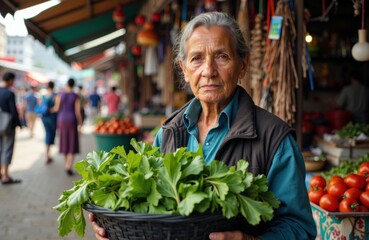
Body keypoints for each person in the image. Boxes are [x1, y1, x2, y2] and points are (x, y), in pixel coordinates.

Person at [89, 12, 316, 240]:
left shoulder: (274, 139)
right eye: (196, 58)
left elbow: (299, 227)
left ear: (243, 65)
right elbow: (149, 211)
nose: (208, 71)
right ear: (184, 69)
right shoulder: (168, 133)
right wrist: (113, 227)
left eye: (222, 56)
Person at [53, 78, 82, 176]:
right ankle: (68, 165)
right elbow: (78, 112)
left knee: (64, 141)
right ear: (73, 85)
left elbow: (57, 108)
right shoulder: (76, 96)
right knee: (72, 142)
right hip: (72, 119)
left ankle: (66, 163)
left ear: (66, 84)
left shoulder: (60, 95)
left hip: (61, 119)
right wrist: (80, 124)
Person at [0, 71, 22, 184]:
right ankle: (5, 176)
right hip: (8, 126)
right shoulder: (9, 93)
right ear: (10, 80)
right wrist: (19, 124)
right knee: (7, 149)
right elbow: (14, 111)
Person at [40, 81, 58, 164]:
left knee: (48, 134)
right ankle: (47, 156)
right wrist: (50, 110)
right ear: (53, 86)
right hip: (52, 118)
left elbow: (40, 106)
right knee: (50, 135)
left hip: (44, 118)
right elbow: (56, 108)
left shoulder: (43, 95)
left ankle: (48, 155)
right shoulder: (54, 96)